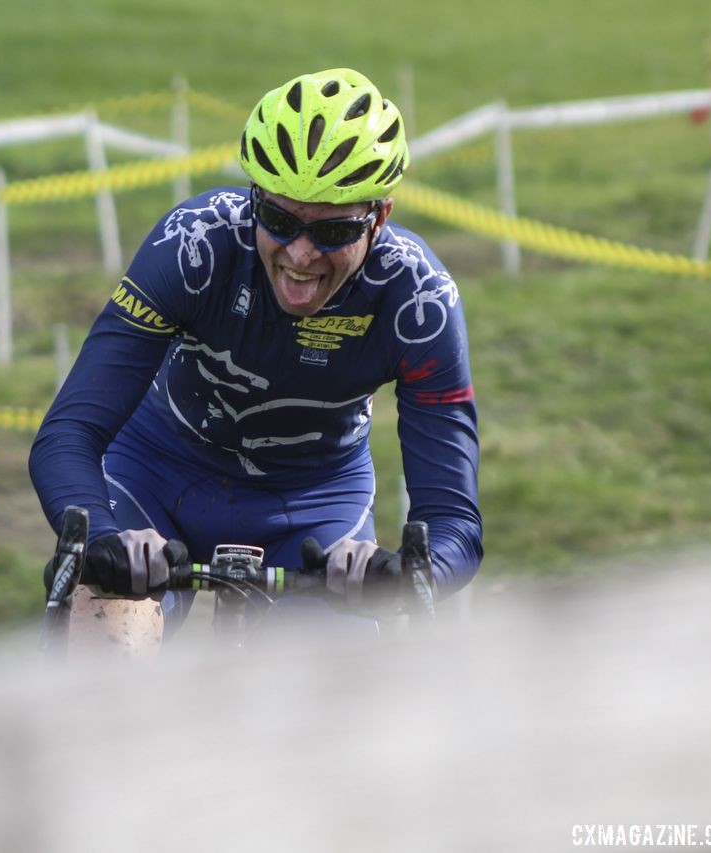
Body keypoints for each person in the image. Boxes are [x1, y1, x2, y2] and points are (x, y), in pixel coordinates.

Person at [29, 67, 481, 642]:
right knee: (95, 636)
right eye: (278, 219)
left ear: (380, 217)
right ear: (254, 199)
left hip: (313, 506)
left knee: (335, 685)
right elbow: (68, 434)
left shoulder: (418, 301)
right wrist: (98, 542)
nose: (301, 254)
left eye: (335, 232)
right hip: (154, 474)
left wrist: (410, 575)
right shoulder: (194, 247)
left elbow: (454, 522)